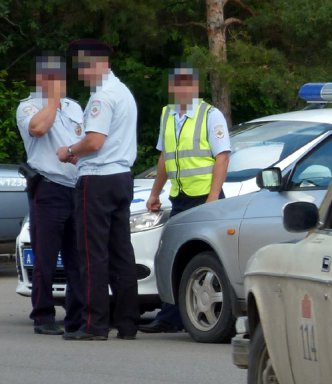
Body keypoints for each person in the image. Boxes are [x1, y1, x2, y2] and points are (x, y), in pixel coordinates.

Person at [56, 39, 140, 340]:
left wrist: (69, 150)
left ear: (96, 64)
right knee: (121, 253)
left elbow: (94, 142)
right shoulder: (123, 92)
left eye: (82, 66)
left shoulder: (102, 97)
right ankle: (128, 322)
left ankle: (94, 324)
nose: (80, 73)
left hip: (97, 180)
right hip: (121, 176)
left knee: (92, 254)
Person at [138, 66, 232, 334]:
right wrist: (155, 192)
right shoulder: (168, 114)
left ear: (195, 87)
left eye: (186, 85)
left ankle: (210, 316)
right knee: (171, 254)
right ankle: (171, 317)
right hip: (180, 196)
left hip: (205, 196)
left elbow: (222, 156)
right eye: (177, 85)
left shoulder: (210, 115)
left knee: (207, 257)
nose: (181, 90)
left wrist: (213, 197)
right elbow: (165, 157)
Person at [14, 55, 85, 335]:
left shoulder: (75, 107)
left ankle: (77, 315)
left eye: (63, 77)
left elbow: (83, 141)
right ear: (42, 79)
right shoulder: (28, 107)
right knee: (46, 255)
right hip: (48, 188)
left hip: (75, 188)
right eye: (55, 78)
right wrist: (53, 102)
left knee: (77, 257)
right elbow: (39, 129)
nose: (62, 83)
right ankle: (43, 315)